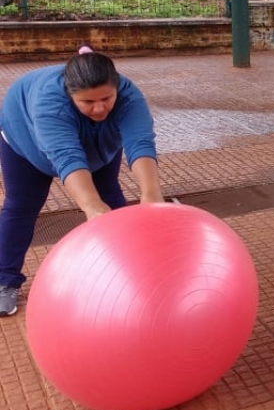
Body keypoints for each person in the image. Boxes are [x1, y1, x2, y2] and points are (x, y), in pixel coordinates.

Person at [0, 46, 166, 316]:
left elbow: (140, 142)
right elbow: (66, 156)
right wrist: (91, 207)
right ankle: (4, 281)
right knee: (22, 207)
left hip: (99, 147)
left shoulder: (128, 95)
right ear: (70, 95)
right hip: (26, 144)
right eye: (88, 102)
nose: (100, 108)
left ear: (116, 88)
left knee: (111, 198)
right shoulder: (49, 103)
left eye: (106, 98)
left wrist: (151, 194)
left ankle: (129, 270)